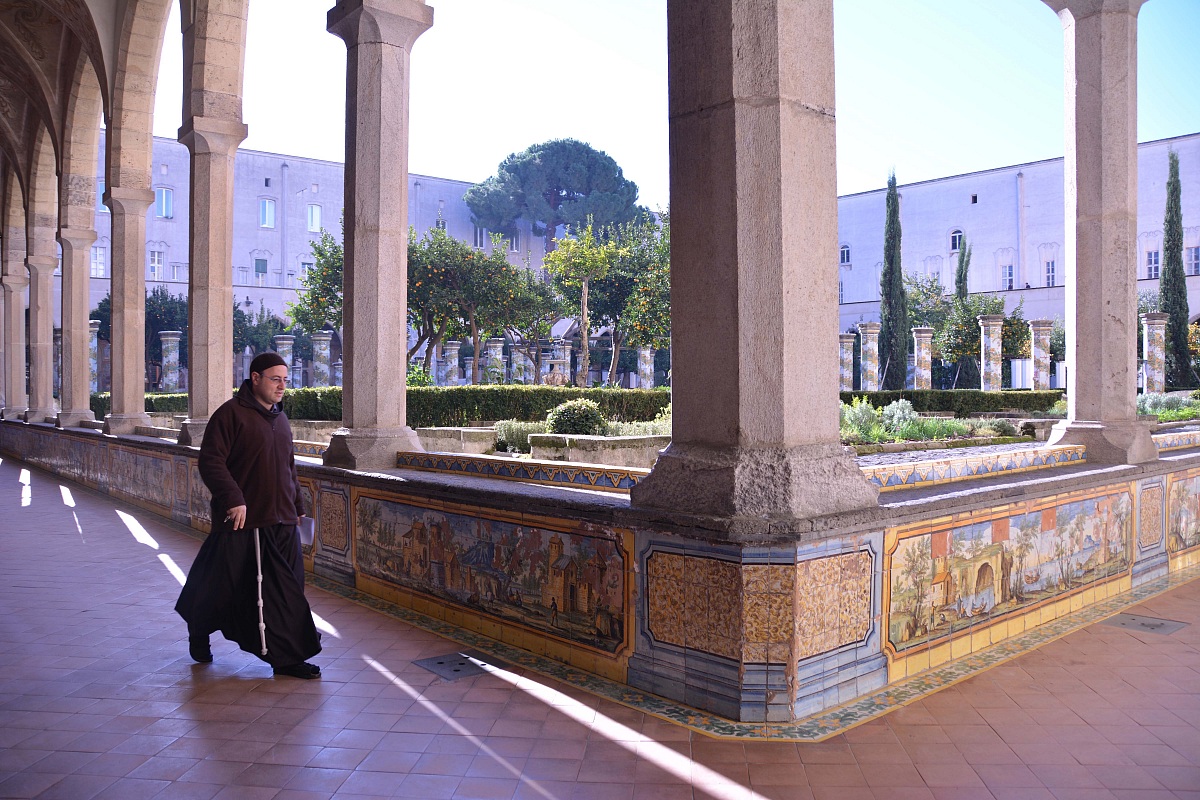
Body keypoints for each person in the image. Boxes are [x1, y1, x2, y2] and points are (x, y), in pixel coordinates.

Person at [175, 352, 321, 679]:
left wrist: (298, 506)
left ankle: (286, 657)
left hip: (283, 519)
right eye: (275, 379)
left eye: (285, 380)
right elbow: (211, 461)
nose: (282, 386)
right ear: (255, 378)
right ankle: (199, 628)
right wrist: (234, 499)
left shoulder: (280, 419)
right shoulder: (230, 415)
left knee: (286, 589)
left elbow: (288, 467)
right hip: (246, 521)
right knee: (218, 585)